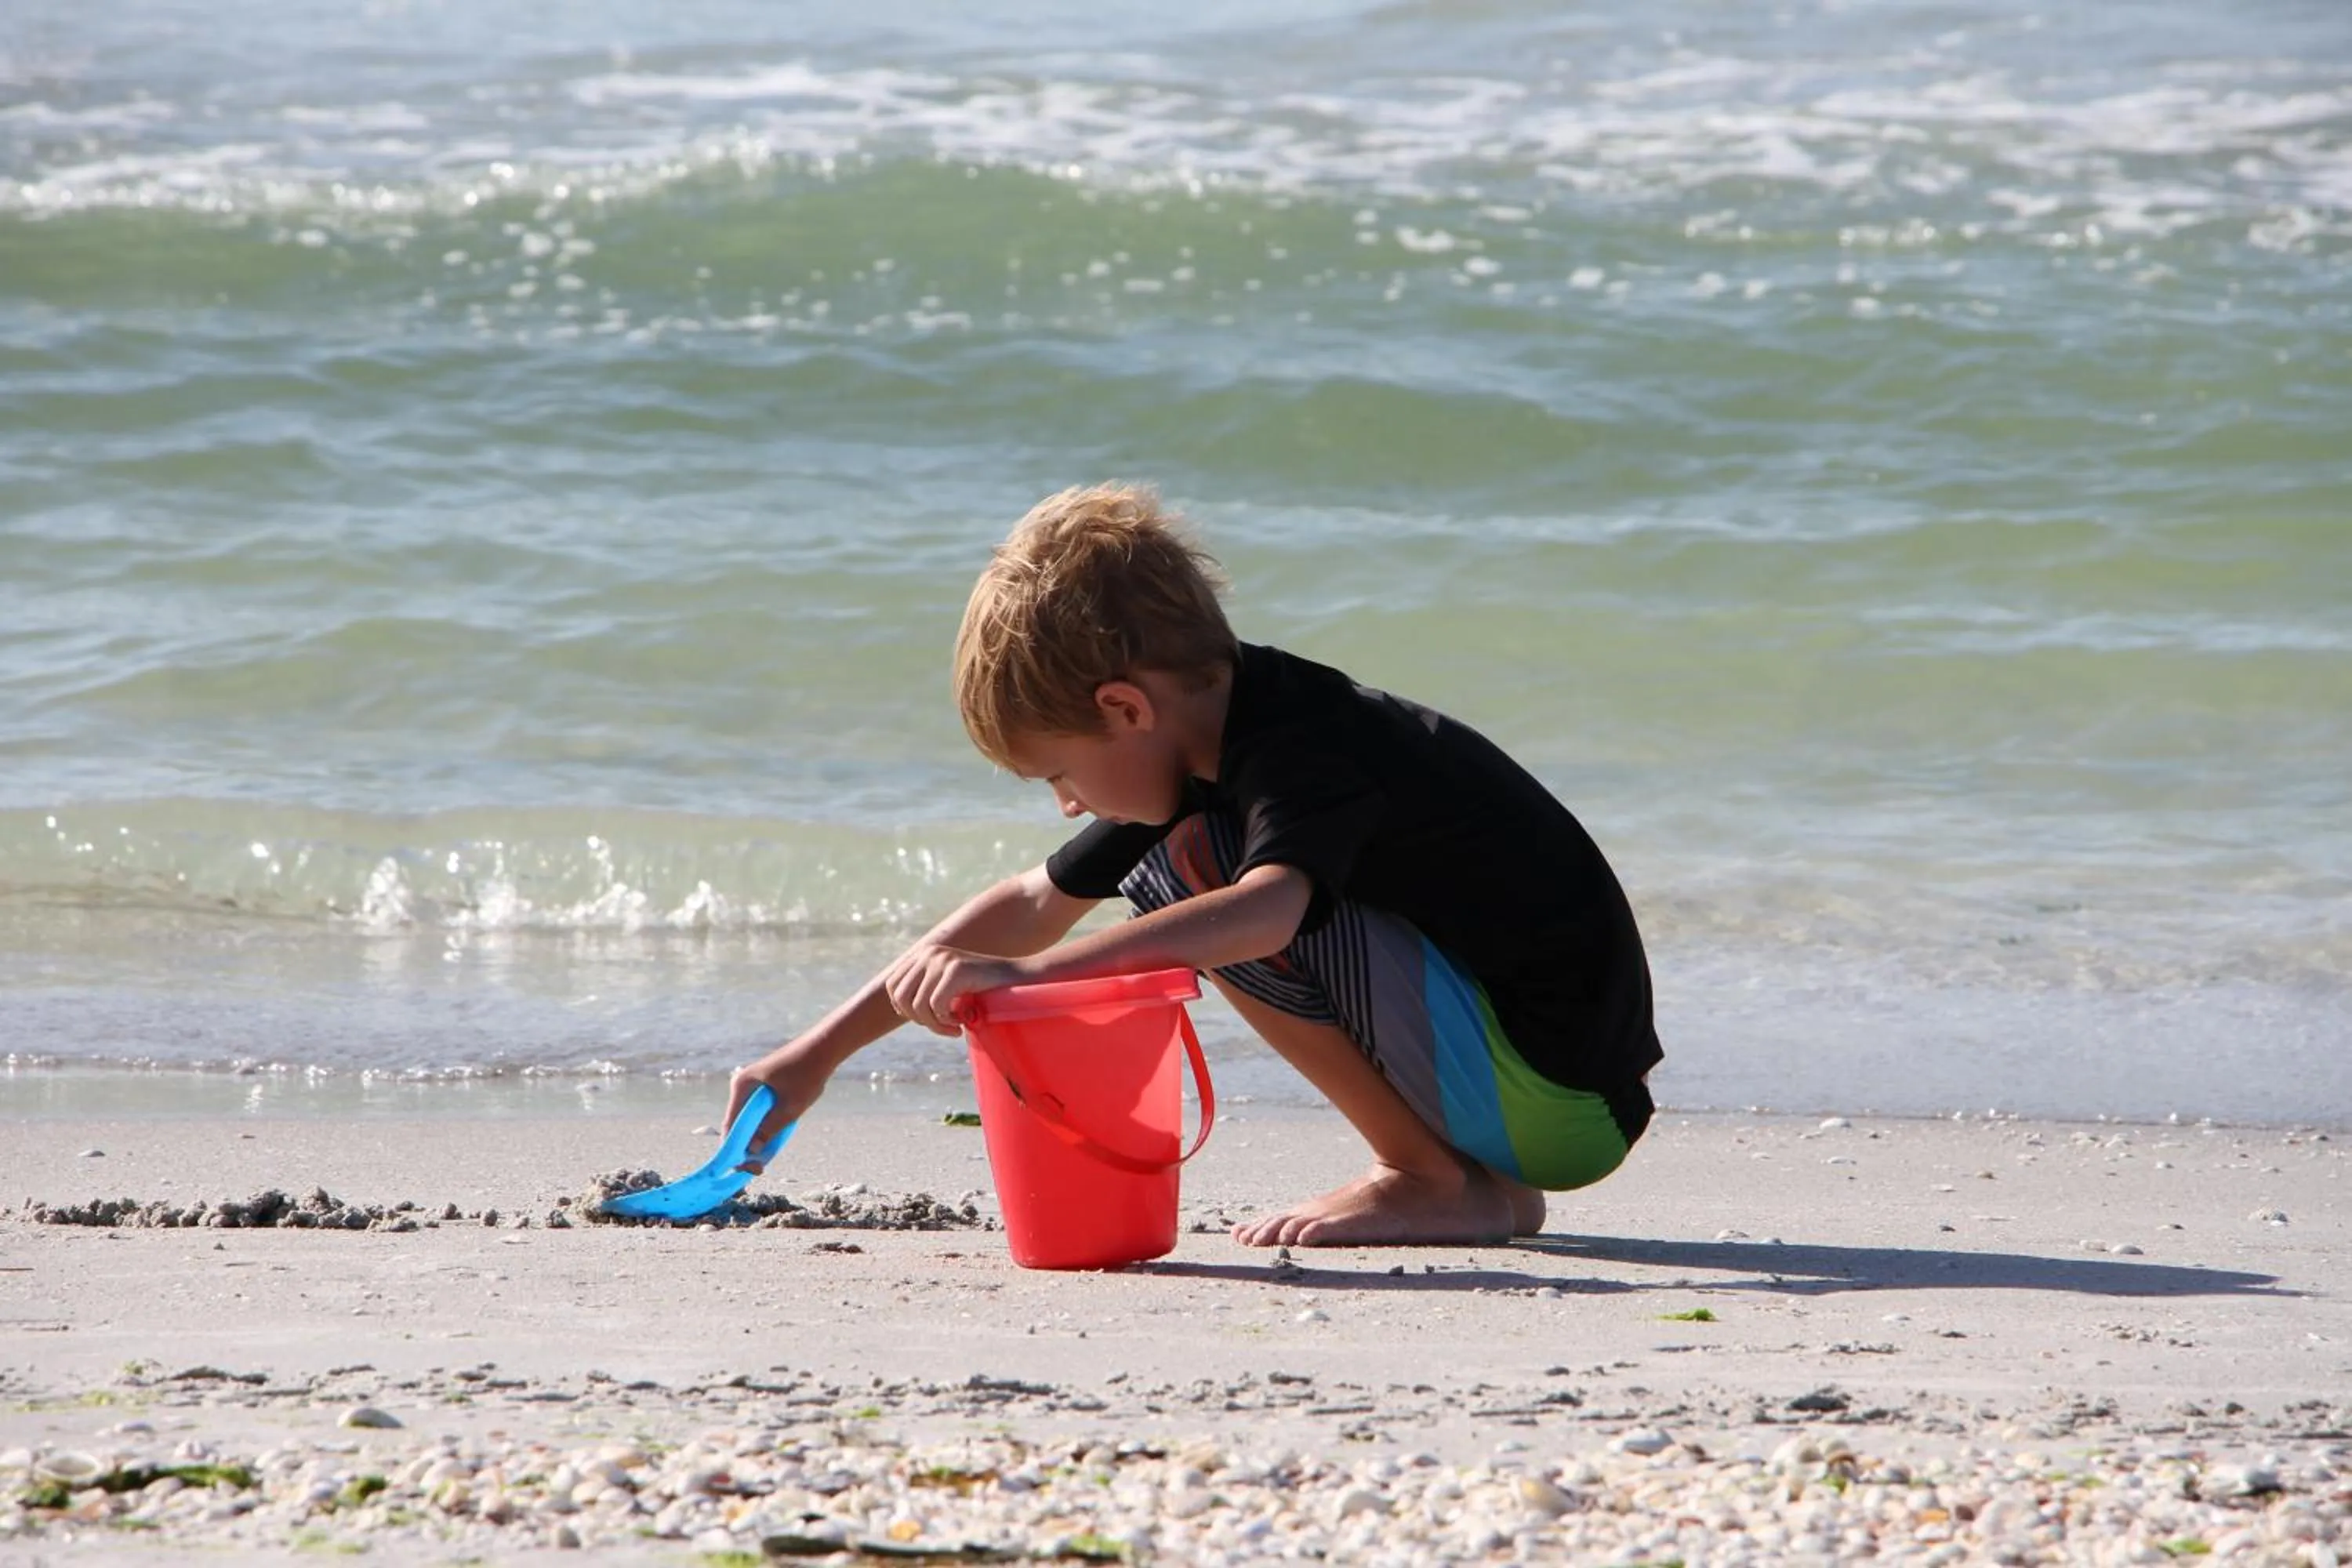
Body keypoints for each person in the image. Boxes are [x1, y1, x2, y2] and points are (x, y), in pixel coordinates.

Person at [726, 483, 1661, 1247]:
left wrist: (1031, 976)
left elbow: (1264, 912)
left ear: (1127, 708)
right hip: (1531, 1100)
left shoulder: (1304, 743)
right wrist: (814, 1056)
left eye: (1059, 772)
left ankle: (1423, 1176)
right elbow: (1029, 902)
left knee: (1199, 883)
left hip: (1555, 1091)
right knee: (1187, 867)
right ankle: (1474, 1184)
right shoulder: (1203, 740)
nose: (1068, 804)